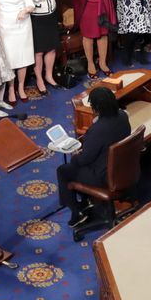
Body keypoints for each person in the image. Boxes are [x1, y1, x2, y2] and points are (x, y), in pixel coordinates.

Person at [59, 85, 132, 234]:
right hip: (125, 170)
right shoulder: (123, 116)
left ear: (97, 107)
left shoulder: (98, 129)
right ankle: (87, 202)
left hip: (104, 177)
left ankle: (76, 213)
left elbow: (85, 159)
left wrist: (75, 157)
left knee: (64, 170)